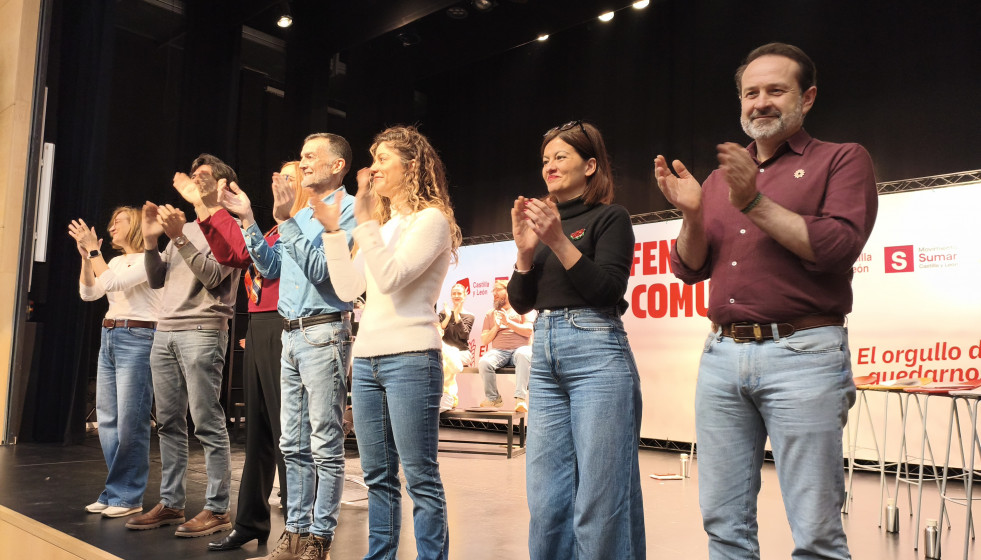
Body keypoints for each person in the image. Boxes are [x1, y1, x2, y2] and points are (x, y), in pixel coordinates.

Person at [655, 42, 878, 559]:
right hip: (721, 357)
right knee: (724, 526)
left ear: (808, 97)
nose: (761, 102)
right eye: (750, 93)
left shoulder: (842, 160)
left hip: (804, 354)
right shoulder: (717, 180)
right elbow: (688, 269)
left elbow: (836, 247)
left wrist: (751, 201)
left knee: (817, 533)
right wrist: (691, 214)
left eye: (776, 90)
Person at [313, 125, 461, 560]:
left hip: (412, 358)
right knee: (377, 475)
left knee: (420, 476)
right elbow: (347, 288)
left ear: (412, 166)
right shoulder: (383, 226)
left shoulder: (431, 220)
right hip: (369, 359)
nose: (372, 168)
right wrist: (336, 235)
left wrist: (363, 225)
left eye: (382, 160)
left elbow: (393, 278)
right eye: (373, 159)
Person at [508, 120, 645, 559]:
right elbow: (521, 302)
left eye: (560, 156)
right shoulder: (543, 226)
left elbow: (607, 291)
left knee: (599, 500)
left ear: (590, 165)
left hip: (596, 352)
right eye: (545, 158)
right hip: (545, 349)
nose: (549, 165)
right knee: (546, 500)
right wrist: (525, 252)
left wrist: (557, 240)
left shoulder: (610, 217)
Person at [221, 133, 356, 560]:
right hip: (290, 333)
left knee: (323, 442)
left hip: (324, 331)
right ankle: (295, 532)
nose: (303, 163)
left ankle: (320, 537)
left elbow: (324, 273)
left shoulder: (348, 210)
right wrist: (248, 221)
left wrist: (290, 221)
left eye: (311, 156)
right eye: (301, 156)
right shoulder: (298, 216)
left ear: (338, 165)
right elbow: (270, 268)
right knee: (291, 444)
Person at [173, 161, 307, 551]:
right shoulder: (274, 229)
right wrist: (206, 210)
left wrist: (213, 209)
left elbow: (268, 264)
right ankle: (250, 521)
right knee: (258, 431)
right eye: (278, 175)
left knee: (288, 433)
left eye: (291, 176)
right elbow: (235, 254)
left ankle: (298, 528)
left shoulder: (307, 226)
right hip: (261, 325)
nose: (280, 181)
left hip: (287, 323)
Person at [126, 154, 241, 538]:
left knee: (207, 421)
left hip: (203, 329)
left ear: (223, 186)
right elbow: (158, 280)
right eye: (193, 175)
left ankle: (218, 508)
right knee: (170, 423)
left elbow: (211, 276)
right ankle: (172, 503)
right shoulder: (186, 226)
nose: (195, 181)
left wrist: (175, 235)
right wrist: (152, 240)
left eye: (204, 176)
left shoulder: (228, 226)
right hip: (166, 330)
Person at [70, 207, 160, 519]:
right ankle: (116, 491)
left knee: (130, 422)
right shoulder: (116, 261)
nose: (110, 229)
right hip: (110, 336)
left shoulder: (151, 258)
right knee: (107, 419)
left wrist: (94, 251)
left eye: (117, 222)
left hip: (138, 338)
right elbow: (89, 293)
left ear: (134, 224)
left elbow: (113, 285)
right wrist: (86, 258)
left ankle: (128, 494)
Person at [477, 280, 533, 412]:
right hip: (499, 352)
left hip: (520, 348)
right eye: (493, 291)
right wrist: (496, 327)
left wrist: (508, 322)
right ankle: (493, 398)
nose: (494, 294)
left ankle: (520, 399)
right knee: (484, 362)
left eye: (498, 290)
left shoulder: (522, 308)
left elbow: (528, 330)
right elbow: (484, 340)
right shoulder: (490, 313)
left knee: (523, 354)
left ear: (508, 291)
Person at [437, 282, 475, 412]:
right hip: (446, 352)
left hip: (462, 353)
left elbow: (464, 334)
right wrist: (448, 316)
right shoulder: (443, 313)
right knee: (443, 361)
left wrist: (457, 315)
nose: (456, 296)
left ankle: (450, 397)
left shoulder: (469, 316)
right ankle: (445, 396)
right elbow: (439, 330)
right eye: (454, 293)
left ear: (464, 295)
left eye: (459, 293)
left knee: (449, 362)